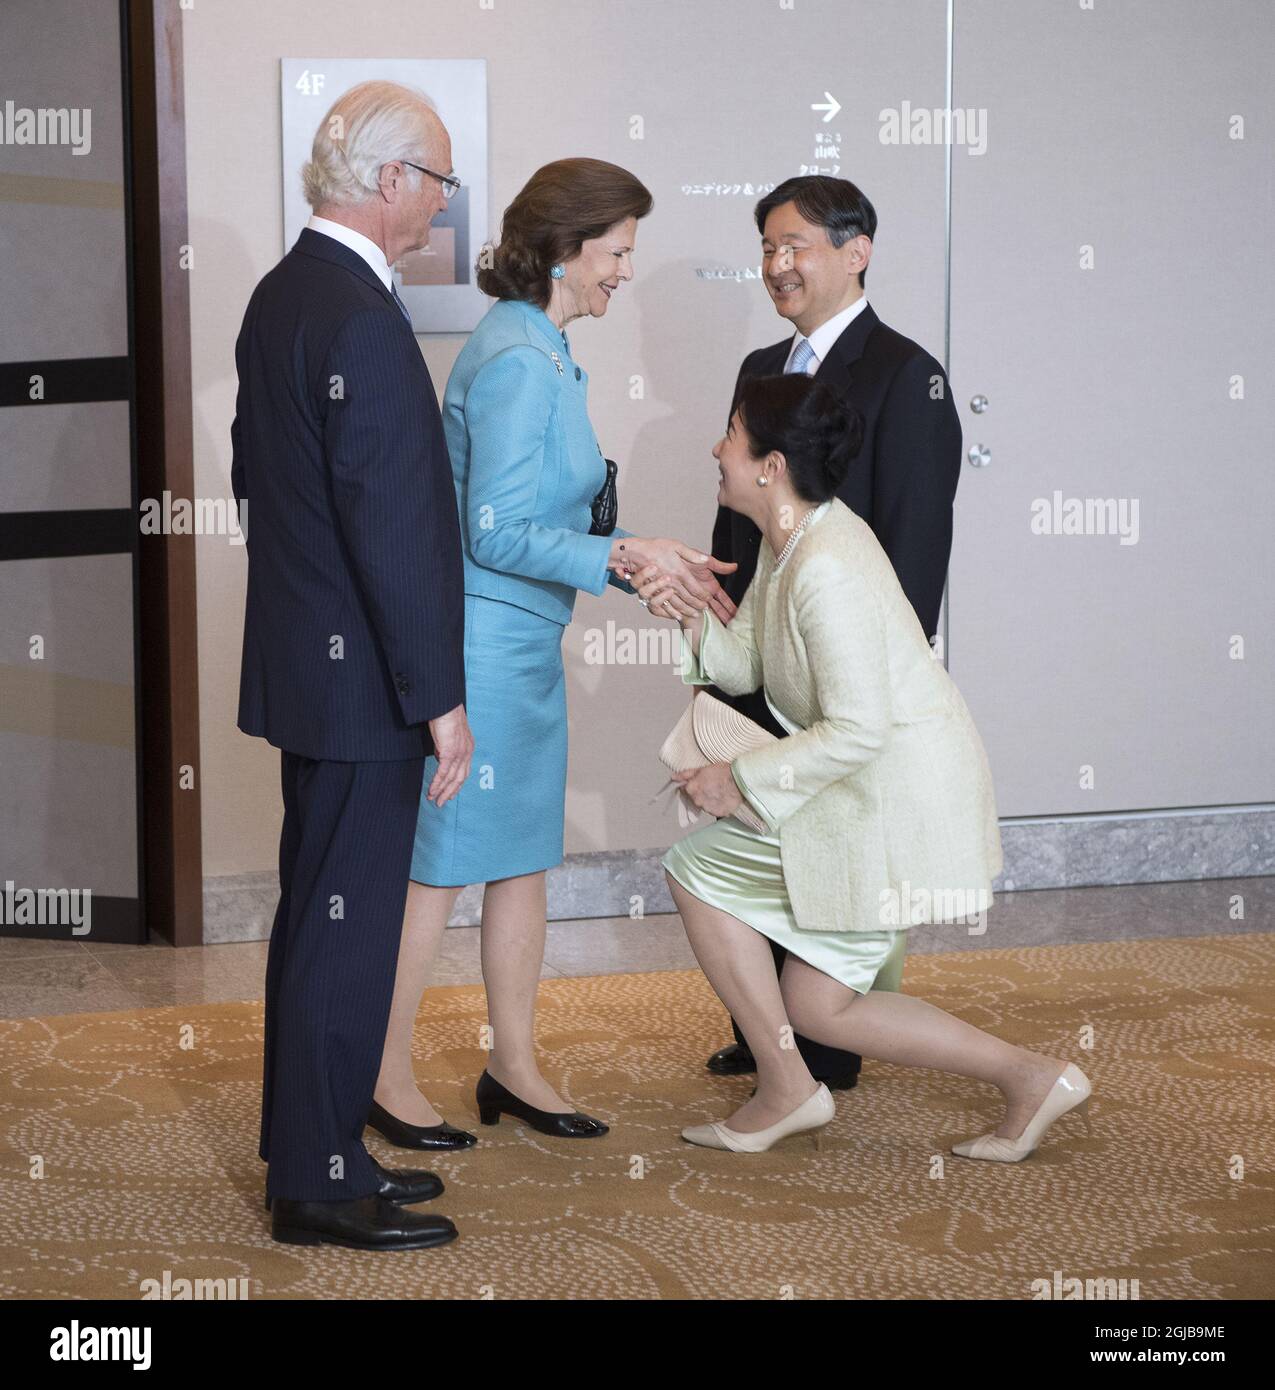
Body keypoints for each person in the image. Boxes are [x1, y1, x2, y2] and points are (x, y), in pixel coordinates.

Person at [367, 158, 737, 1150]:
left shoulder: (544, 344)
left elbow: (544, 516)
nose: (624, 272)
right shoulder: (524, 357)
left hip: (524, 647)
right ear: (567, 251)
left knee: (523, 859)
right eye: (616, 253)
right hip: (481, 651)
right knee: (438, 868)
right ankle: (385, 1072)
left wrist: (637, 557)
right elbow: (492, 532)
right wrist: (627, 556)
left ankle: (514, 1063)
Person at [639, 374, 1091, 1160]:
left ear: (770, 465)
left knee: (706, 881)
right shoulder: (792, 542)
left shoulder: (826, 567)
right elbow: (743, 666)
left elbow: (856, 730)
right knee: (818, 1003)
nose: (718, 449)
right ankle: (1029, 1078)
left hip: (888, 801)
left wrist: (734, 779)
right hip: (855, 794)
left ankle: (791, 1088)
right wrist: (686, 607)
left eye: (732, 434)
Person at [232, 81, 473, 1250]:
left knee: (316, 914)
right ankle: (319, 1182)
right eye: (437, 180)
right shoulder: (361, 316)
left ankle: (313, 1138)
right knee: (344, 922)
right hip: (366, 683)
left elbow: (257, 487)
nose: (441, 203)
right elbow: (392, 528)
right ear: (391, 185)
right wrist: (439, 699)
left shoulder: (283, 295)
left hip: (311, 667)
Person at [705, 174, 963, 1090]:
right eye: (767, 247)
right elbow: (737, 523)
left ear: (855, 252)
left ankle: (831, 1036)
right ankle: (769, 1028)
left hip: (847, 667)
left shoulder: (905, 372)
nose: (776, 264)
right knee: (769, 839)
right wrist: (722, 648)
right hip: (766, 652)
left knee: (843, 841)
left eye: (794, 246)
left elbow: (915, 542)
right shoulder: (760, 371)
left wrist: (879, 674)